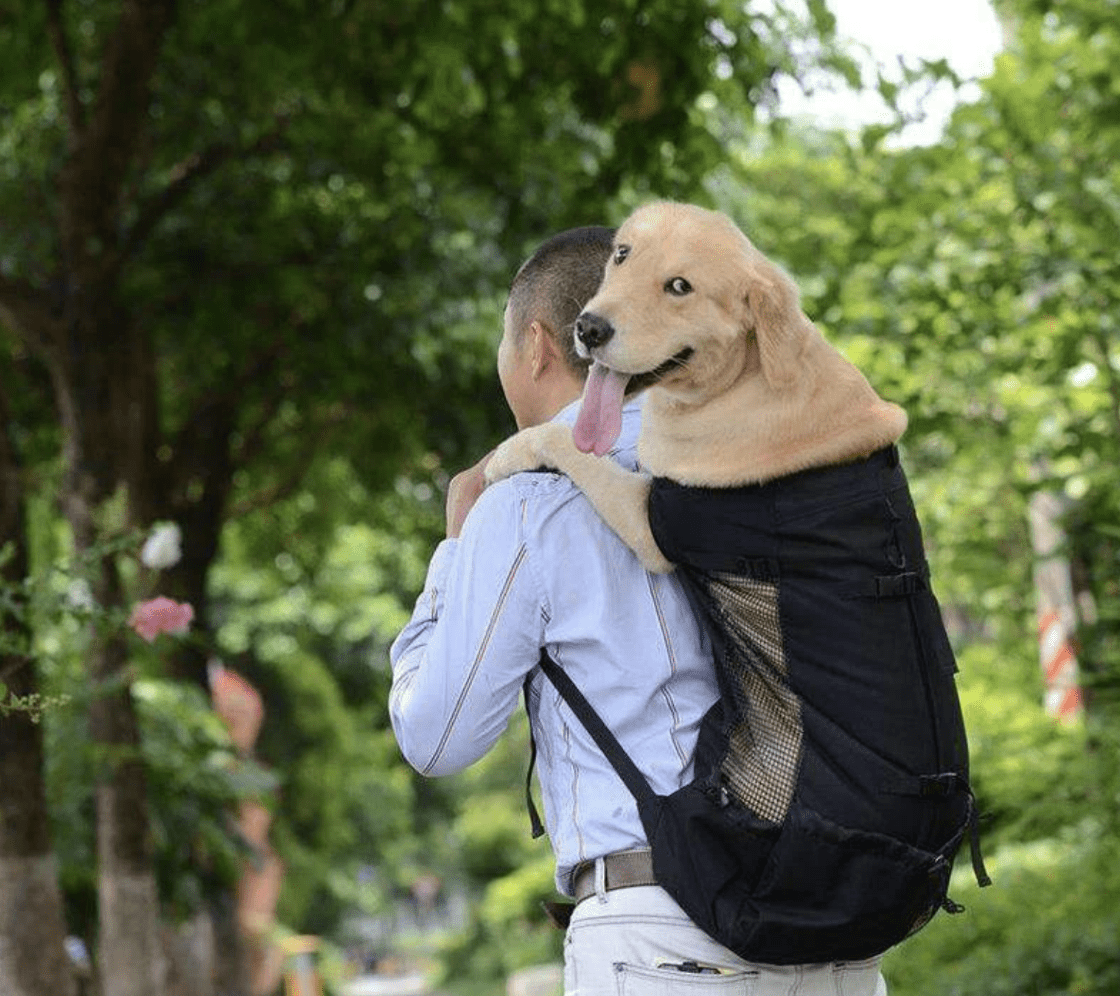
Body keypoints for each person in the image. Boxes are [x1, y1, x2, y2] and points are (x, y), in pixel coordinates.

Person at [389, 226, 889, 995]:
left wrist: (455, 549)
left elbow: (438, 736)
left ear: (535, 344)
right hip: (834, 923)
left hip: (662, 936)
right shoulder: (777, 466)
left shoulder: (526, 502)